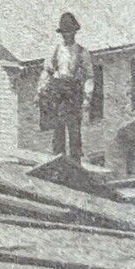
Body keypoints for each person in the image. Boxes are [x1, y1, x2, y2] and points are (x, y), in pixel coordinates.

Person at [38, 11, 92, 161]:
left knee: (74, 128)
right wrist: (41, 89)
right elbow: (46, 71)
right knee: (58, 129)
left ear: (75, 32)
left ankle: (76, 162)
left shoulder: (82, 52)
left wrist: (87, 97)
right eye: (64, 32)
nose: (67, 35)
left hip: (73, 91)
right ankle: (58, 160)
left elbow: (89, 76)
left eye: (70, 32)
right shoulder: (55, 50)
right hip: (58, 90)